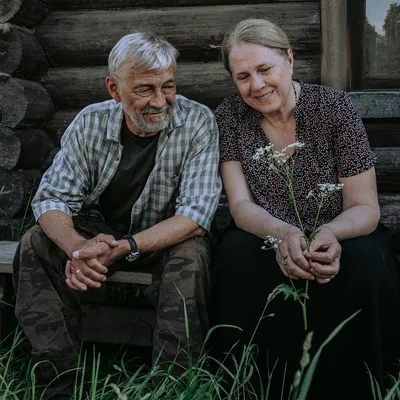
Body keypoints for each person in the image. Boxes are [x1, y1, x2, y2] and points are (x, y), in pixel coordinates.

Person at [12, 32, 222, 399]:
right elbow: (52, 197)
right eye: (145, 89)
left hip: (164, 234)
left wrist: (125, 247)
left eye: (168, 86)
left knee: (192, 254)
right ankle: (57, 383)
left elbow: (195, 215)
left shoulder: (197, 121)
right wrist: (78, 247)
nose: (161, 101)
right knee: (35, 242)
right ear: (114, 88)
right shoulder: (90, 122)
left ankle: (172, 387)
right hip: (100, 230)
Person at [211, 18, 400, 400]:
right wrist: (284, 235)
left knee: (364, 261)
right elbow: (241, 204)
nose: (257, 85)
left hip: (338, 231)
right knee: (234, 255)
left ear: (290, 60)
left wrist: (329, 234)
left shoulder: (334, 107)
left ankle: (362, 387)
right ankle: (254, 387)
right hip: (267, 233)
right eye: (243, 76)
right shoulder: (230, 115)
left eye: (265, 69)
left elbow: (365, 207)